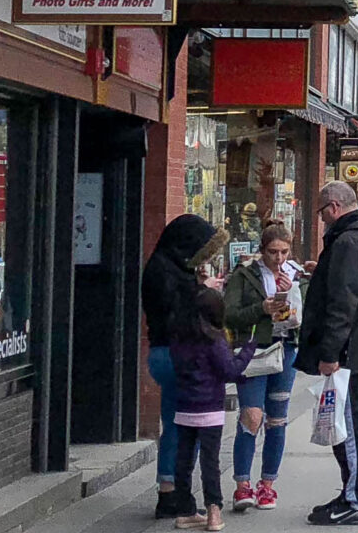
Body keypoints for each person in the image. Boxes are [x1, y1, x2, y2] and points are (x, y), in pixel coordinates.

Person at [295, 182, 358, 526]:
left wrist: (330, 351)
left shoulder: (348, 242)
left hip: (350, 352)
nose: (322, 221)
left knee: (349, 428)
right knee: (356, 426)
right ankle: (351, 493)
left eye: (322, 213)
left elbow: (343, 302)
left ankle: (354, 499)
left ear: (334, 207)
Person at [142, 215, 230, 517]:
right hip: (176, 354)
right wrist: (203, 292)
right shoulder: (168, 274)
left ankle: (171, 489)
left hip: (164, 352)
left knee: (176, 424)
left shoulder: (165, 266)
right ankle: (175, 493)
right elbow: (178, 316)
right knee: (186, 428)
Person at [224, 222, 305, 512]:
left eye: (284, 252)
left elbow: (304, 317)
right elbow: (230, 314)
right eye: (273, 252)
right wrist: (261, 309)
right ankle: (242, 484)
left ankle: (267, 485)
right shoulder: (244, 276)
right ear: (262, 250)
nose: (279, 258)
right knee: (252, 416)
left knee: (277, 420)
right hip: (254, 351)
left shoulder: (296, 275)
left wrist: (293, 293)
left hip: (286, 350)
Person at [170, 287, 256, 531]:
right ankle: (213, 512)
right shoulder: (214, 339)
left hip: (185, 406)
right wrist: (248, 349)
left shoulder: (180, 338)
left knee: (184, 459)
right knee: (210, 461)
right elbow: (229, 370)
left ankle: (184, 510)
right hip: (209, 409)